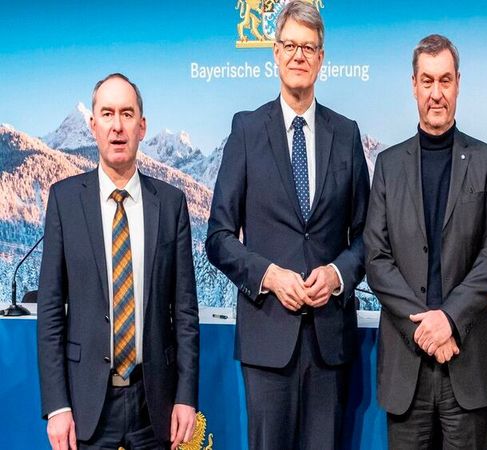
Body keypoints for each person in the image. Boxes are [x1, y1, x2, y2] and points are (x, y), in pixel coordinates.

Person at [205, 1, 370, 448]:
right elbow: (218, 238)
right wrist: (268, 275)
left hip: (329, 343)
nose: (299, 55)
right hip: (267, 341)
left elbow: (367, 237)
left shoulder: (347, 134)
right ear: (275, 53)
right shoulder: (246, 130)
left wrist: (337, 274)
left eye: (309, 47)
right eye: (290, 45)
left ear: (321, 59)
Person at [37, 73, 200, 450]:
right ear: (92, 126)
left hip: (155, 402)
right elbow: (50, 311)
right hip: (85, 405)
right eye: (107, 114)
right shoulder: (64, 201)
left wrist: (186, 395)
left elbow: (186, 313)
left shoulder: (172, 204)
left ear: (142, 127)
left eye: (127, 114)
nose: (117, 126)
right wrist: (57, 405)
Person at [364, 34, 487, 449]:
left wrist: (448, 318)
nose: (436, 93)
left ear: (458, 83)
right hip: (407, 369)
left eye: (444, 81)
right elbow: (377, 258)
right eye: (427, 81)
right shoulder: (389, 166)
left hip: (467, 361)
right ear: (413, 85)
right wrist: (426, 328)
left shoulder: (485, 160)